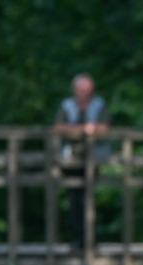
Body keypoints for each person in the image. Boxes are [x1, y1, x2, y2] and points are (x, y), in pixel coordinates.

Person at [52, 74, 111, 247]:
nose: (83, 93)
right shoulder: (67, 105)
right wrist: (82, 129)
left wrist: (88, 130)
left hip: (94, 158)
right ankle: (77, 240)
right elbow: (58, 127)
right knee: (74, 200)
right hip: (71, 159)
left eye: (86, 90)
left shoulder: (99, 105)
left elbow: (105, 128)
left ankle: (91, 241)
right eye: (80, 90)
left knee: (89, 200)